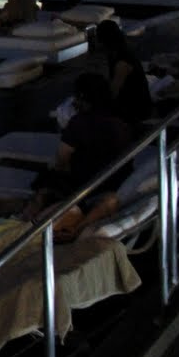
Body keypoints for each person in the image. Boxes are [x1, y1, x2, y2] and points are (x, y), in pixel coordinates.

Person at [23, 73, 131, 242]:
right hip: (114, 182)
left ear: (82, 97)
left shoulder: (80, 122)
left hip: (85, 187)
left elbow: (61, 160)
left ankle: (26, 219)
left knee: (44, 179)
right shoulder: (121, 122)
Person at [98, 20, 152, 127]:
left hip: (136, 108)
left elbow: (114, 91)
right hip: (130, 102)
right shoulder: (116, 54)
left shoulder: (122, 60)